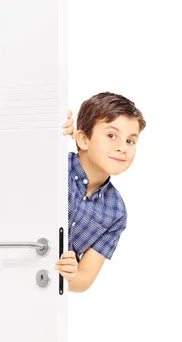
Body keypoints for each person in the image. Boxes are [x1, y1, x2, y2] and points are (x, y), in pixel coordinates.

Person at [55, 92, 146, 292]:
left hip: (43, 293)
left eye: (130, 141)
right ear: (83, 139)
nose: (122, 147)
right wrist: (53, 129)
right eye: (111, 135)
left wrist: (70, 275)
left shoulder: (116, 212)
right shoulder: (55, 166)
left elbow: (84, 279)